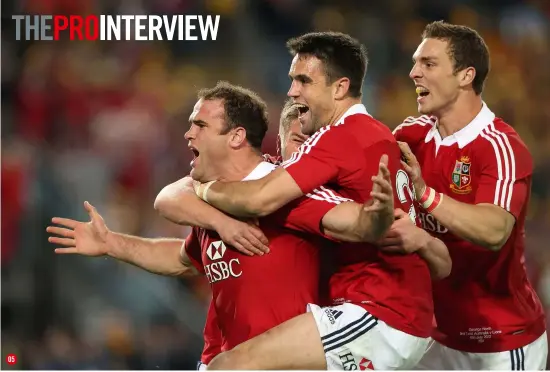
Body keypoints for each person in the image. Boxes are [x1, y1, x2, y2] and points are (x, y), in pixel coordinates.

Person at [47, 81, 400, 366]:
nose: (188, 135)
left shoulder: (284, 194)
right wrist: (112, 243)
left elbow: (353, 223)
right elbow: (183, 259)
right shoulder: (209, 197)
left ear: (236, 137)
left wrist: (381, 213)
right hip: (221, 358)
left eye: (200, 125)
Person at [193, 33, 447, 370]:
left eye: (303, 81)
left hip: (379, 312)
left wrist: (203, 189)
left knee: (231, 366)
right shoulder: (376, 136)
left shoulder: (342, 136)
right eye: (292, 80)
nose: (292, 91)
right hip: (397, 315)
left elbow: (259, 198)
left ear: (340, 88)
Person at [392, 21, 547, 370]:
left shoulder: (500, 146)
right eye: (416, 62)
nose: (414, 72)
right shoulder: (411, 135)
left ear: (465, 76)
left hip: (501, 343)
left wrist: (425, 194)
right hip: (435, 338)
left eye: (429, 64)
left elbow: (494, 231)